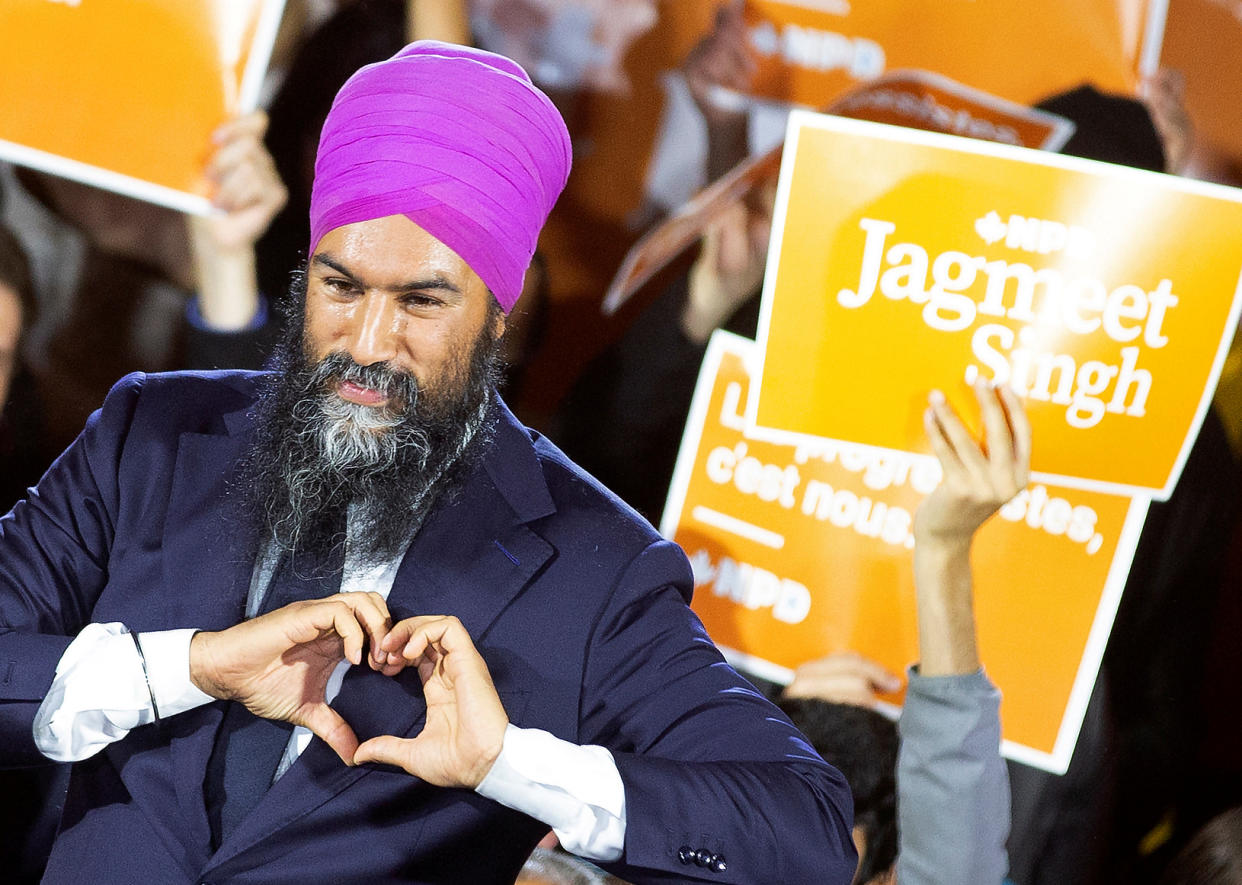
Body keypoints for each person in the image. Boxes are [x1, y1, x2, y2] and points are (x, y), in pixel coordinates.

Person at [0, 41, 856, 884]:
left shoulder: (595, 567)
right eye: (341, 287)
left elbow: (804, 835)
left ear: (499, 316)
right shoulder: (152, 434)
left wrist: (510, 763)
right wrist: (182, 668)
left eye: (421, 300)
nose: (368, 343)